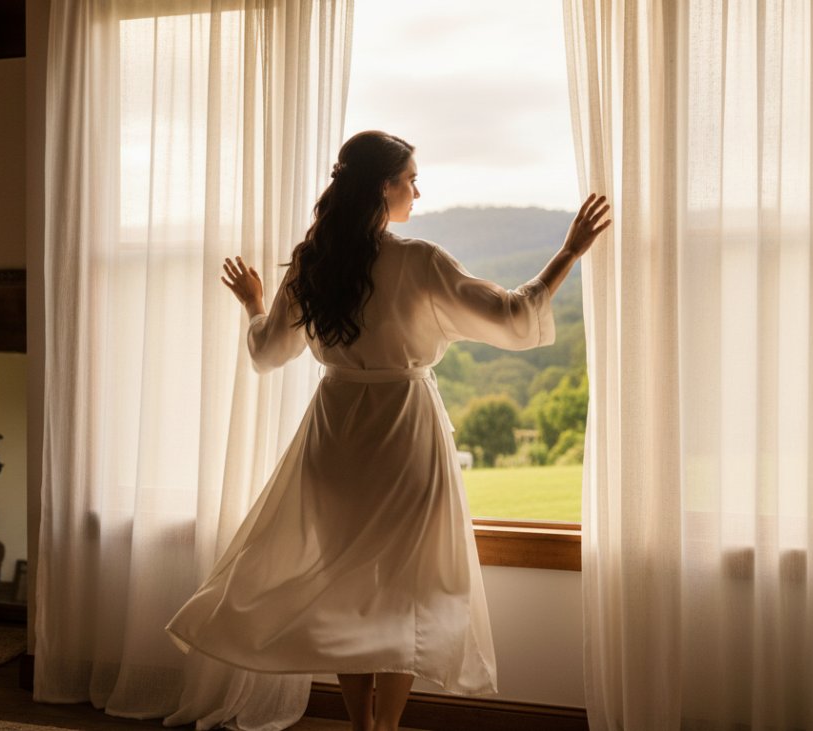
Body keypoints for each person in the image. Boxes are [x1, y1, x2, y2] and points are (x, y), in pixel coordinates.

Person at [165, 130, 611, 731]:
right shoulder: (419, 260)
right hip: (404, 434)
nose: (418, 192)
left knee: (350, 593)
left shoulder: (313, 263)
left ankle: (361, 726)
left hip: (336, 435)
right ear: (385, 186)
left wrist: (254, 302)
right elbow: (510, 316)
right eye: (411, 179)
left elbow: (269, 353)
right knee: (407, 592)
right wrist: (569, 252)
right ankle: (387, 728)